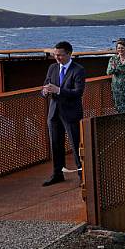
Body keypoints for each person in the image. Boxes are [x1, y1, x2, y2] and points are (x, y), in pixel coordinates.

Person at [41, 41, 85, 186]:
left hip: (71, 113)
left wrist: (58, 90)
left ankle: (82, 176)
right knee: (55, 144)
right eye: (55, 55)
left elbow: (78, 92)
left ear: (69, 54)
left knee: (76, 145)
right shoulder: (52, 68)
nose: (57, 58)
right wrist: (45, 91)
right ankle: (57, 174)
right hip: (54, 113)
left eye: (60, 55)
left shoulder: (78, 69)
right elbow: (45, 87)